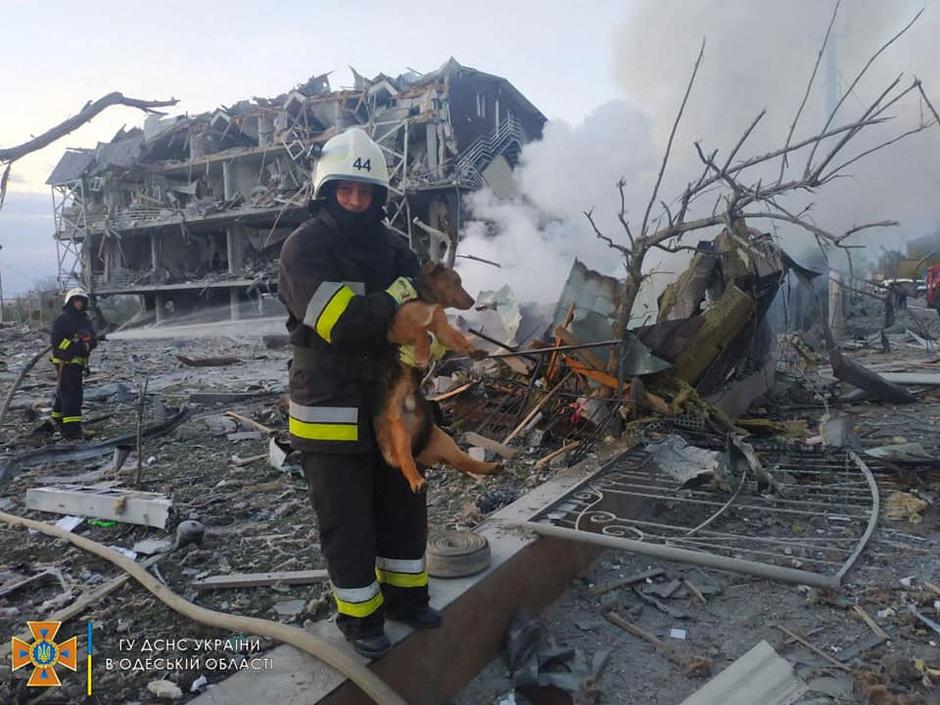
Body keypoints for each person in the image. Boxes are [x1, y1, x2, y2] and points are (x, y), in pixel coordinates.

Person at [278, 128, 442, 658]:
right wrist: (395, 297)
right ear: (327, 192)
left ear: (378, 198)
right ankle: (361, 622)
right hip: (328, 405)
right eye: (345, 190)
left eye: (364, 193)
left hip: (390, 400)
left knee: (404, 506)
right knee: (347, 522)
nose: (355, 200)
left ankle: (408, 599)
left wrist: (425, 332)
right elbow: (342, 323)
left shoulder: (395, 247)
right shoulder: (304, 249)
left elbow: (427, 310)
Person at [50, 287, 98, 440]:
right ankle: (72, 431)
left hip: (78, 364)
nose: (80, 303)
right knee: (72, 396)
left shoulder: (83, 319)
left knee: (64, 394)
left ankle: (56, 420)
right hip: (65, 363)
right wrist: (77, 346)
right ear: (70, 302)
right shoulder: (63, 320)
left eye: (82, 301)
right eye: (77, 300)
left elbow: (91, 338)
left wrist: (91, 343)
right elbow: (57, 342)